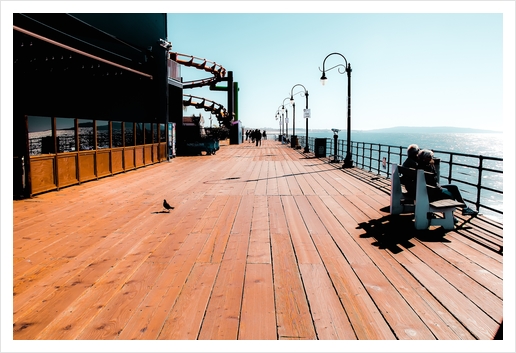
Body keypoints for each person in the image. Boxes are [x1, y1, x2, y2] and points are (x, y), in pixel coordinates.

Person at [417, 149, 478, 216]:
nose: (432, 158)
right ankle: (452, 215)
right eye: (430, 157)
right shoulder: (427, 168)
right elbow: (434, 183)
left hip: (428, 190)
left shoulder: (420, 166)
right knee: (451, 194)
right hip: (432, 192)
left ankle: (464, 208)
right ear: (426, 158)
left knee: (453, 187)